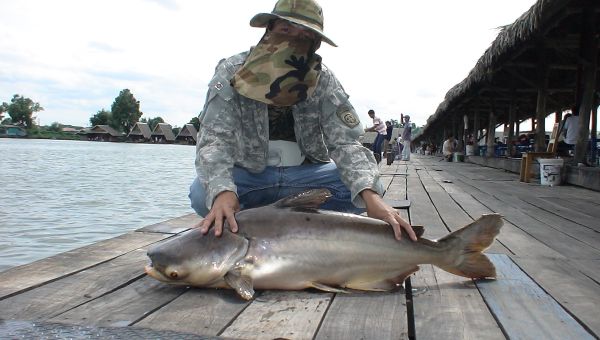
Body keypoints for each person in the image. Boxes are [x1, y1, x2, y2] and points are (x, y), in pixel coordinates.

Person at [189, 0, 416, 242]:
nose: (294, 39)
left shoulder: (325, 81)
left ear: (315, 43)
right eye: (286, 30)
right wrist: (223, 191)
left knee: (365, 188)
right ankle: (240, 210)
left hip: (306, 179)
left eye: (305, 35)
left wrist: (371, 198)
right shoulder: (231, 71)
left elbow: (347, 145)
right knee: (201, 193)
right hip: (250, 176)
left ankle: (275, 216)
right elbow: (214, 140)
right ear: (269, 29)